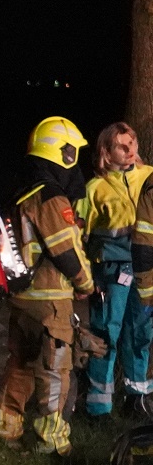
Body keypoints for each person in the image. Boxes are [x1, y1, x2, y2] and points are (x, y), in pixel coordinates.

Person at [0, 117, 96, 454]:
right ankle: (51, 440)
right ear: (63, 153)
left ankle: (7, 427)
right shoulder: (51, 197)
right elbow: (65, 249)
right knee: (55, 369)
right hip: (50, 299)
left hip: (21, 296)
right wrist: (85, 283)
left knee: (20, 362)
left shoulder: (20, 192)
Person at [78, 123, 153, 417]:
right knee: (105, 333)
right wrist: (86, 276)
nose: (130, 149)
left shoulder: (148, 176)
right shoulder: (93, 189)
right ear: (106, 153)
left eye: (132, 142)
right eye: (122, 145)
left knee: (141, 331)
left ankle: (138, 399)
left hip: (145, 268)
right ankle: (99, 407)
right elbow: (78, 238)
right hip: (111, 270)